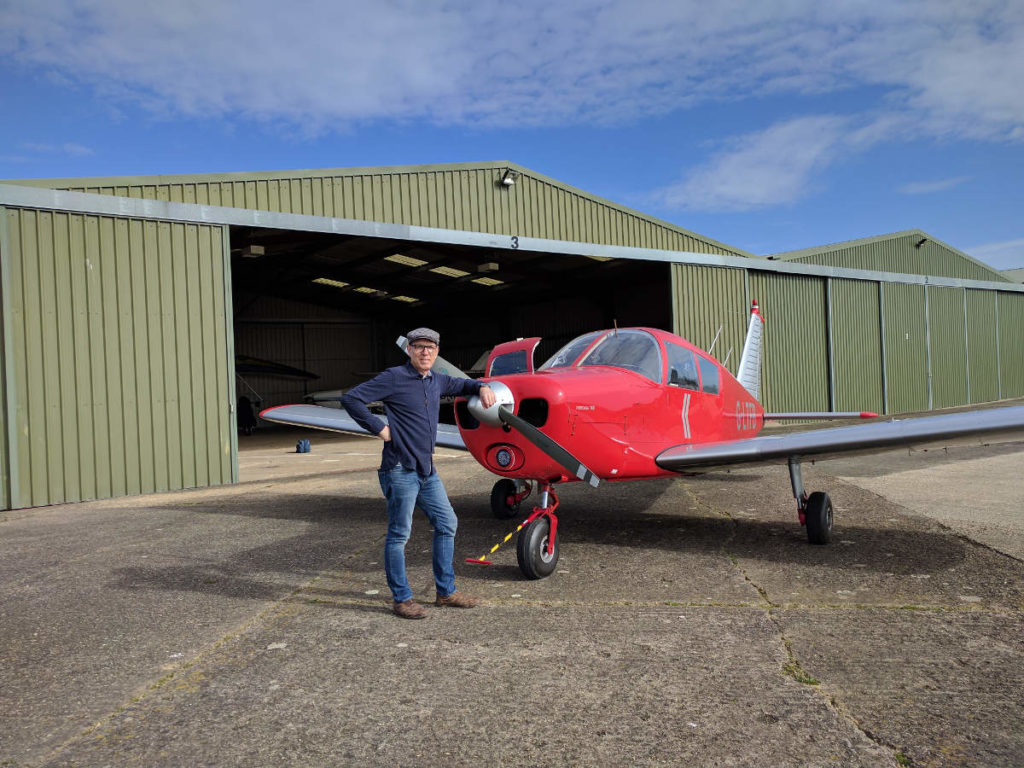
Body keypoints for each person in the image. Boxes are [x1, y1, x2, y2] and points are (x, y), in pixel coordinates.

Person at [341, 328, 497, 619]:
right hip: (399, 468)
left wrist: (482, 387)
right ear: (410, 350)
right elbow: (351, 399)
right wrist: (380, 428)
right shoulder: (393, 377)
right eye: (419, 347)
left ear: (437, 352)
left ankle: (446, 593)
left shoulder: (436, 380)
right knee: (399, 534)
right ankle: (402, 599)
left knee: (447, 522)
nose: (425, 352)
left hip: (426, 469)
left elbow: (464, 385)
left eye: (431, 347)